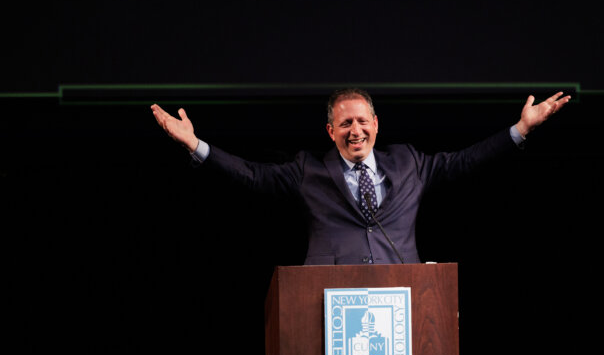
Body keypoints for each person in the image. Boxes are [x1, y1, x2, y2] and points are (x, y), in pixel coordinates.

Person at [151, 88, 569, 265]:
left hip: (400, 297)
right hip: (330, 300)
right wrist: (195, 145)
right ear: (331, 132)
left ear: (376, 124)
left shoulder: (409, 163)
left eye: (362, 121)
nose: (356, 130)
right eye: (345, 123)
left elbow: (464, 161)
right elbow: (253, 177)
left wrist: (521, 130)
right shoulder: (307, 171)